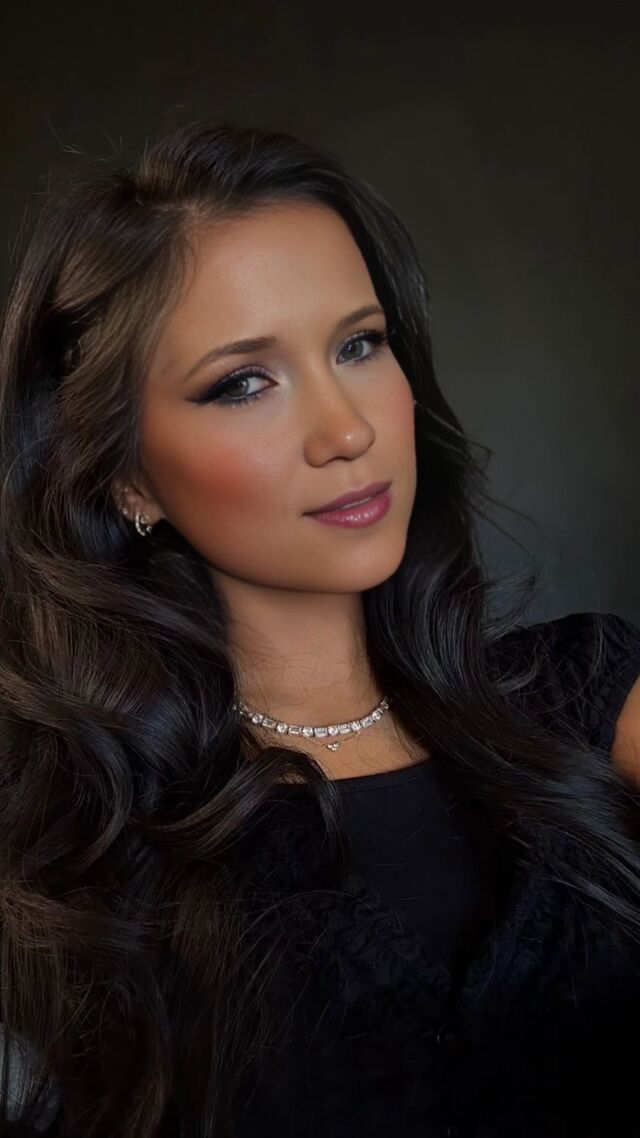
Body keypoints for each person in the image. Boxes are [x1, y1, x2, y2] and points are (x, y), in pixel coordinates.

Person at [0, 119, 639, 1138]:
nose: (347, 429)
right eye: (242, 382)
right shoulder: (79, 822)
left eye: (359, 344)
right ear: (126, 478)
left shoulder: (584, 695)